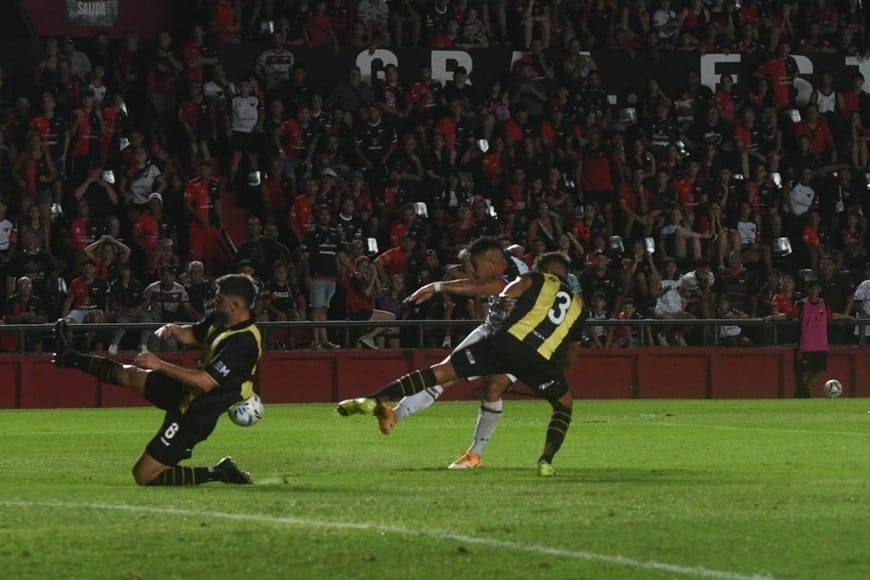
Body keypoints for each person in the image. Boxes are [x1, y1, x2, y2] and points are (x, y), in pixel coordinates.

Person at [338, 252, 584, 477]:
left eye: (474, 264)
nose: (472, 269)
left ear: (492, 261)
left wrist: (439, 287)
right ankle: (396, 413)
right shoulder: (573, 301)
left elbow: (479, 288)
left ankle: (473, 453)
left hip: (505, 340)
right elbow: (571, 354)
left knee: (476, 382)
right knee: (448, 375)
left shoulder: (526, 276)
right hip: (516, 345)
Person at [51, 273, 259, 485]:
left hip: (196, 413)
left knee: (144, 475)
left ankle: (219, 472)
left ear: (234, 305)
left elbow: (206, 382)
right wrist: (174, 329)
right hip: (186, 391)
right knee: (129, 375)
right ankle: (70, 357)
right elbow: (194, 334)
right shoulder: (222, 319)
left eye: (219, 299)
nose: (214, 301)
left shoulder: (244, 342)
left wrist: (159, 364)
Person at [784, 279, 852, 398]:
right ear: (808, 289)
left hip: (821, 343)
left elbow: (831, 316)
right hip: (806, 343)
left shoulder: (824, 304)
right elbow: (789, 315)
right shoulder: (801, 304)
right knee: (806, 371)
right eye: (811, 288)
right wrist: (773, 316)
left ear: (819, 290)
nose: (814, 290)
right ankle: (802, 395)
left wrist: (846, 316)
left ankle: (804, 392)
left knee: (820, 370)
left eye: (816, 288)